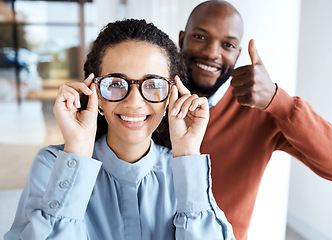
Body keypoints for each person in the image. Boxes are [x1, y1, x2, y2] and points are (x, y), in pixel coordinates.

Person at [4, 19, 235, 240]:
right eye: (115, 83)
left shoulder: (185, 170)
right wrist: (77, 151)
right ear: (96, 94)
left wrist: (187, 153)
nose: (134, 102)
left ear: (170, 97)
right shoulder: (53, 164)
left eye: (153, 84)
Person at [177, 1, 332, 239]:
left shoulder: (259, 111)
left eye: (228, 44)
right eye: (200, 36)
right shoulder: (151, 96)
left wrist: (278, 100)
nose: (211, 52)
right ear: (182, 39)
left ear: (238, 54)